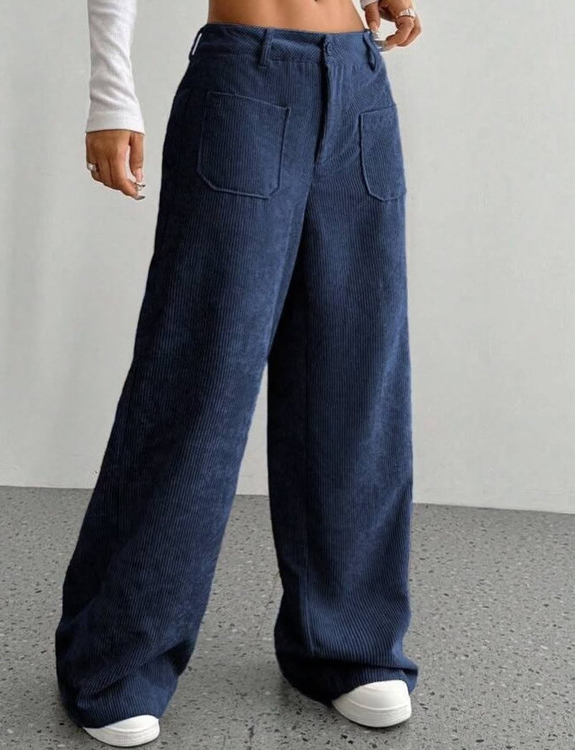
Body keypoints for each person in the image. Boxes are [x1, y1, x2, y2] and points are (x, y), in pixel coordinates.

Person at [54, 0, 423, 746]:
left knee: (357, 383)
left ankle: (346, 646)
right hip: (245, 80)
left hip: (360, 83)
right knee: (198, 379)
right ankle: (117, 658)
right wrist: (111, 94)